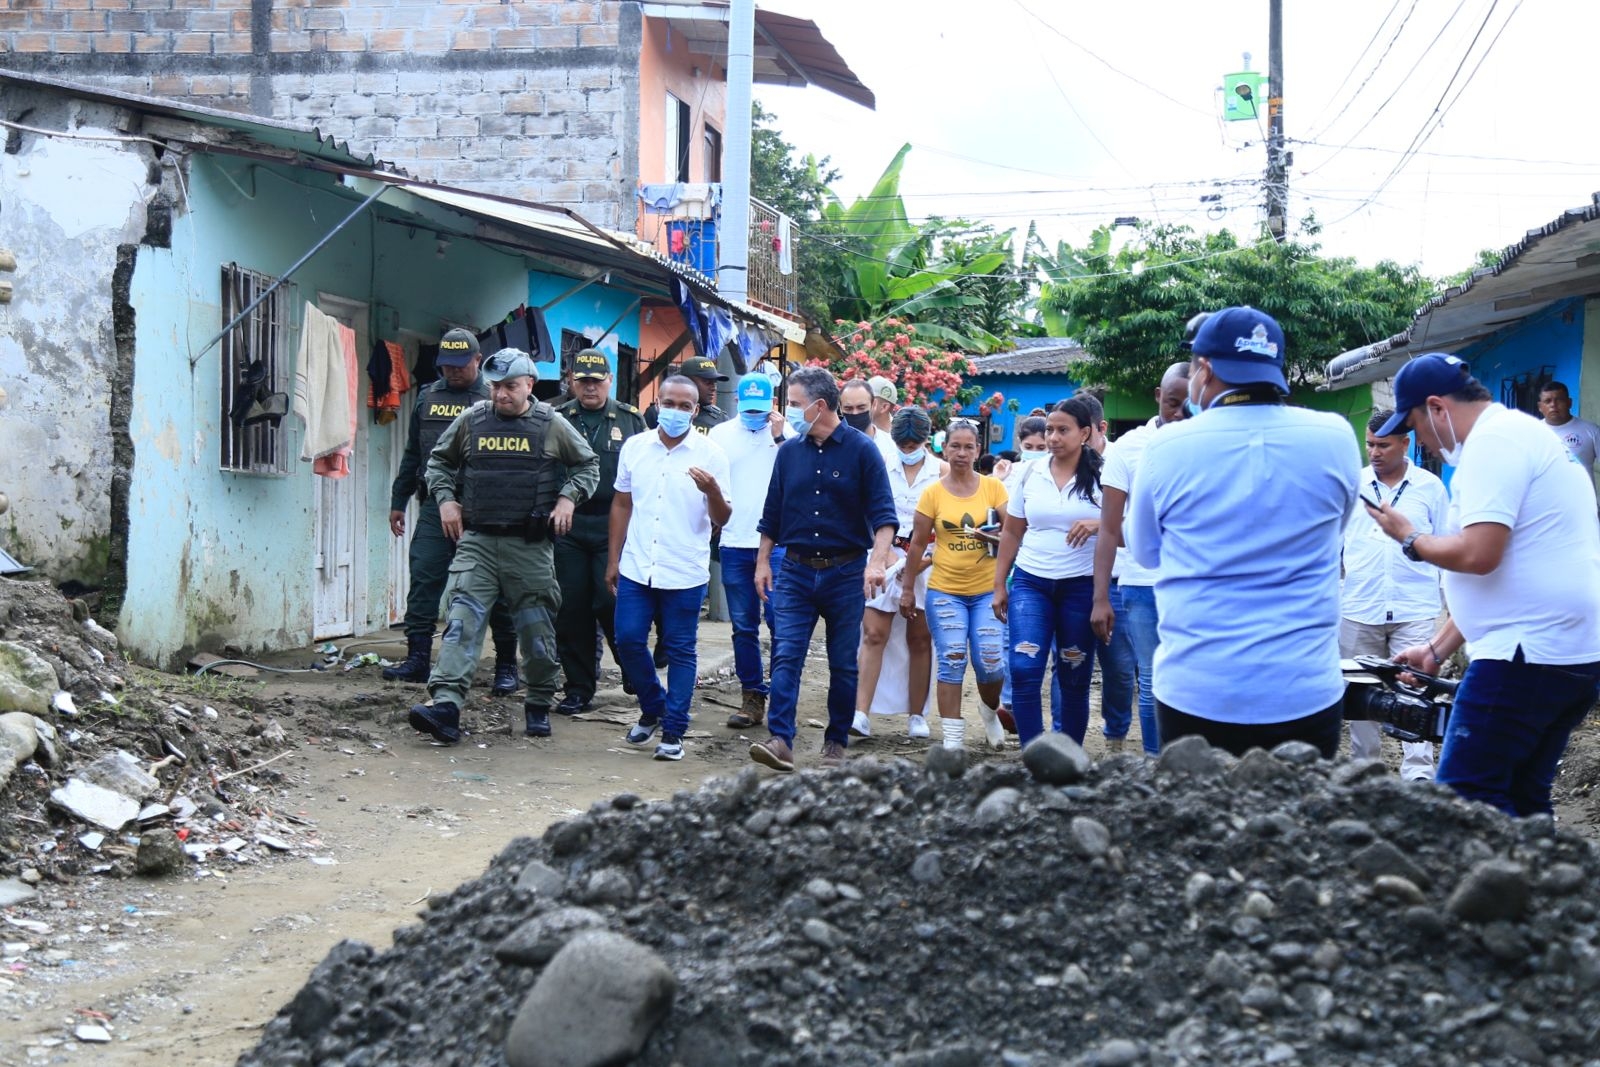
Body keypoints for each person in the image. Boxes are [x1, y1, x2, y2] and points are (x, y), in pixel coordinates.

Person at [1367, 354, 1600, 816]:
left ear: (1436, 408)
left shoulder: (1492, 443)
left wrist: (1410, 537)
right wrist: (1436, 648)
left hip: (1526, 651)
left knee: (1466, 797)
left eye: (1415, 425)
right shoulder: (1521, 433)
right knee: (1520, 794)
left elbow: (1478, 554)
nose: (1422, 442)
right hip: (1563, 649)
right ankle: (1543, 888)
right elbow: (1505, 565)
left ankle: (1502, 889)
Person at [1127, 307, 1360, 758]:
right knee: (1295, 824)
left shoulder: (1168, 446)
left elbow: (1145, 552)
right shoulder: (1335, 437)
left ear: (1205, 369)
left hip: (1198, 688)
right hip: (1304, 688)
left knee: (1201, 823)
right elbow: (1337, 531)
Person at [407, 349, 600, 744]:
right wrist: (445, 499)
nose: (500, 396)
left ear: (530, 384)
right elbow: (438, 463)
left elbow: (588, 465)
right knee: (461, 622)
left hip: (528, 547)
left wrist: (567, 498)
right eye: (495, 387)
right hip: (477, 542)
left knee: (537, 632)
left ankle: (539, 702)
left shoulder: (551, 424)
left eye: (510, 387)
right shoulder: (472, 420)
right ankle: (445, 706)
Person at [751, 367, 898, 772]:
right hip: (795, 571)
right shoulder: (788, 452)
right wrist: (763, 561)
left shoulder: (862, 451)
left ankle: (835, 742)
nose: (789, 411)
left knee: (843, 662)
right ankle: (781, 739)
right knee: (785, 654)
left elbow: (884, 516)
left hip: (846, 572)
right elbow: (772, 513)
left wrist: (876, 562)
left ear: (819, 406)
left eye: (795, 404)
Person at [384, 329, 520, 695]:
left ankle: (507, 663)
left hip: (485, 506)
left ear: (478, 361)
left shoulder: (495, 397)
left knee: (499, 585)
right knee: (425, 572)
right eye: (446, 365)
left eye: (461, 365)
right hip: (435, 503)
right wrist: (399, 499)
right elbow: (415, 452)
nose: (453, 372)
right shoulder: (428, 397)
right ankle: (416, 658)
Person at [608, 375, 732, 761]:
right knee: (627, 639)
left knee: (680, 650)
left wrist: (711, 491)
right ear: (656, 404)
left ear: (695, 411)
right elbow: (622, 504)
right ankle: (654, 705)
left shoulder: (711, 454)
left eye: (684, 406)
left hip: (684, 569)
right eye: (669, 403)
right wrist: (613, 557)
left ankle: (673, 731)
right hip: (637, 564)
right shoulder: (635, 447)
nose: (675, 411)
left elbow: (723, 517)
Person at [1341, 409, 1449, 780]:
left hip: (1414, 608)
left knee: (1416, 694)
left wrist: (1450, 607)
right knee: (1360, 699)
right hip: (1359, 608)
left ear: (1406, 444)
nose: (1374, 452)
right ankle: (1365, 774)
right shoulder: (1351, 486)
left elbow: (1446, 542)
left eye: (1383, 445)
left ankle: (1418, 776)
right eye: (1369, 444)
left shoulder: (1430, 488)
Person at [1091, 361, 1192, 757]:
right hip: (1142, 584)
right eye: (1172, 403)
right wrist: (1101, 597)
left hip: (1196, 584)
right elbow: (1109, 527)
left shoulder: (1211, 444)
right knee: (1152, 681)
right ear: (1157, 397)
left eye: (1190, 403)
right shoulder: (1129, 447)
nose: (1180, 412)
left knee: (1192, 680)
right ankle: (1156, 765)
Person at [992, 397, 1104, 747]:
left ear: (1085, 433)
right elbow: (1011, 531)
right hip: (1031, 583)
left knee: (1074, 672)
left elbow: (1125, 525)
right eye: (1050, 430)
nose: (1053, 438)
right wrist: (999, 584)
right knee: (1025, 669)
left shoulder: (1104, 474)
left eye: (1062, 430)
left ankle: (1068, 753)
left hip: (1081, 586)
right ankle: (1033, 752)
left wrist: (1098, 523)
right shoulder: (1030, 472)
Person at [901, 419, 1010, 751]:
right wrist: (907, 588)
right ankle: (952, 741)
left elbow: (1015, 534)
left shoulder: (994, 489)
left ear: (978, 450)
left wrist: (996, 536)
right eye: (955, 446)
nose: (961, 453)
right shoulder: (932, 493)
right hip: (945, 590)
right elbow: (918, 544)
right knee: (951, 656)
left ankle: (989, 711)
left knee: (991, 662)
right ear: (944, 448)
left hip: (987, 592)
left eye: (968, 446)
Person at [551, 349, 647, 714]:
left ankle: (632, 669)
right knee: (571, 607)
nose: (590, 387)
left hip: (614, 522)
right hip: (569, 525)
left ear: (610, 381)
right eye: (583, 381)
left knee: (611, 602)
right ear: (572, 382)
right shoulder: (558, 418)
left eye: (597, 380)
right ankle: (578, 686)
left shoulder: (630, 419)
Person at [706, 373, 792, 729]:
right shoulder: (720, 435)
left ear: (773, 404)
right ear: (739, 404)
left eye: (762, 409)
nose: (755, 415)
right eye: (749, 409)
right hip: (734, 543)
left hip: (778, 546)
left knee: (781, 623)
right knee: (743, 626)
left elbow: (800, 474)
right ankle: (752, 697)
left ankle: (784, 698)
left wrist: (781, 437)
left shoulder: (790, 438)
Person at [852, 405, 942, 740]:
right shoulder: (880, 465)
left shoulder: (941, 471)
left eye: (913, 445)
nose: (908, 451)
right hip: (883, 555)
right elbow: (866, 512)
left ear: (925, 440)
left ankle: (917, 714)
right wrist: (886, 555)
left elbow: (946, 524)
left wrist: (920, 562)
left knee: (920, 637)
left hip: (928, 560)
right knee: (874, 633)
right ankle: (860, 712)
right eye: (902, 446)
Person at [644, 356, 730, 433]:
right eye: (707, 382)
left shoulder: (720, 419)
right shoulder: (657, 413)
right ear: (687, 381)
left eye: (714, 383)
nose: (713, 388)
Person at [1537, 381, 1600, 476]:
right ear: (1540, 407)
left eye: (1559, 400)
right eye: (1547, 401)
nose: (1553, 405)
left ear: (1569, 403)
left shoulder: (1591, 431)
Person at [840, 378, 901, 469]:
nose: (855, 413)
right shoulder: (831, 445)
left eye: (861, 407)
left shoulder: (893, 446)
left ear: (874, 405)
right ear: (840, 408)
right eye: (848, 408)